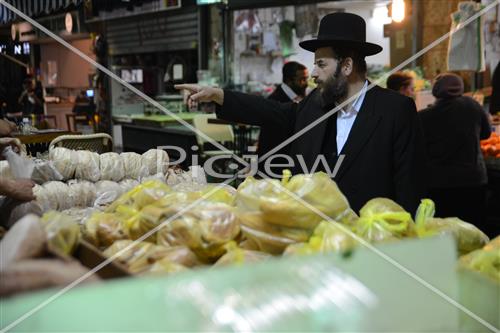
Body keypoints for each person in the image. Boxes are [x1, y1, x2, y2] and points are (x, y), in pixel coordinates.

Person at [176, 12, 425, 214]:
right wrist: (217, 95)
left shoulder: (395, 110)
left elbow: (410, 187)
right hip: (313, 242)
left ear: (347, 65)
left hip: (372, 245)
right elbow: (271, 111)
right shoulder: (314, 106)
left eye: (321, 64)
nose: (313, 73)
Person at [419, 73, 491, 230]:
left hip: (440, 183)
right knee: (474, 228)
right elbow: (486, 134)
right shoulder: (473, 106)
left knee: (444, 230)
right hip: (473, 180)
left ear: (436, 91)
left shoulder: (424, 117)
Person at [258, 61, 309, 176]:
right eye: (302, 79)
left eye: (306, 79)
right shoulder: (275, 101)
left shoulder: (301, 98)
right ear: (289, 80)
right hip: (275, 165)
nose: (306, 83)